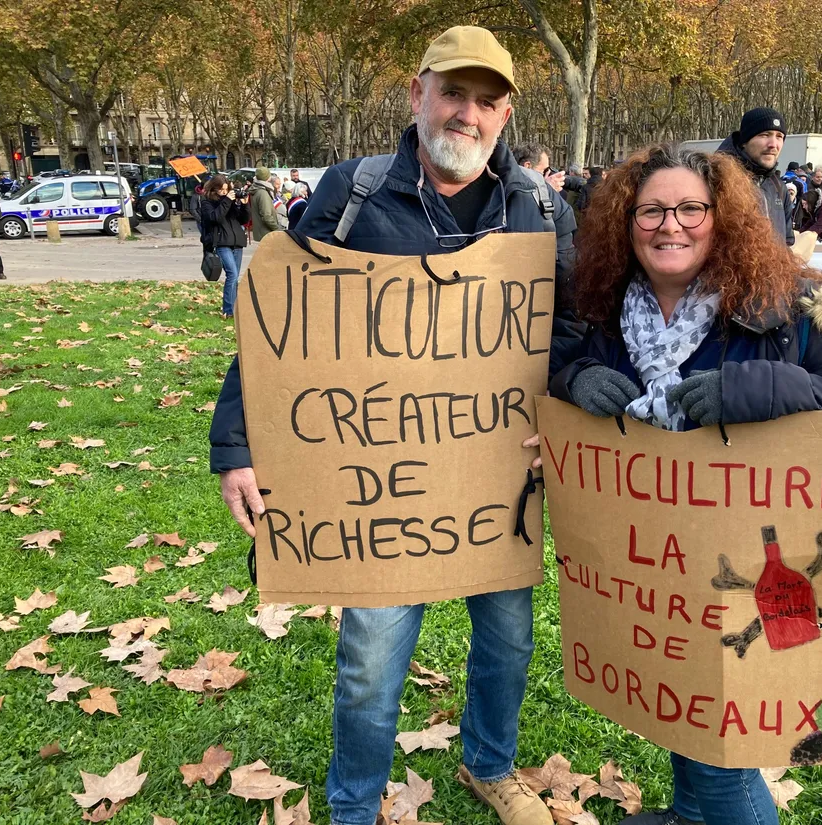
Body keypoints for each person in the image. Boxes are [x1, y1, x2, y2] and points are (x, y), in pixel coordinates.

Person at [211, 25, 579, 825]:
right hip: (380, 491)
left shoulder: (542, 209)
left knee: (510, 643)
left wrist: (566, 416)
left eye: (487, 103)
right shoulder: (356, 193)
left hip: (495, 481)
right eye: (454, 94)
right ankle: (353, 803)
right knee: (372, 659)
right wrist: (236, 443)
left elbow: (573, 329)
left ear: (506, 115)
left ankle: (489, 762)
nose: (467, 116)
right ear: (418, 95)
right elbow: (279, 325)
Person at [549, 143, 822, 825]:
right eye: (651, 211)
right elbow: (569, 373)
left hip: (757, 566)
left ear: (722, 218)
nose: (669, 225)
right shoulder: (611, 309)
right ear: (626, 222)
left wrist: (761, 386)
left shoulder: (789, 306)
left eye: (689, 209)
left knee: (723, 752)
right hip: (659, 565)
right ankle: (689, 814)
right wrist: (576, 380)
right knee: (681, 704)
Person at [717, 107, 794, 245]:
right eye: (764, 135)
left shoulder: (778, 187)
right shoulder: (717, 180)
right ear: (744, 141)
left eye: (779, 137)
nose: (773, 145)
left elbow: (786, 242)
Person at [199, 174, 249, 318]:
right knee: (232, 274)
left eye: (226, 190)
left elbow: (243, 219)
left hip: (236, 242)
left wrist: (244, 205)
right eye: (221, 190)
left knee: (235, 277)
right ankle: (228, 310)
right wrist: (227, 200)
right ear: (214, 189)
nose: (224, 192)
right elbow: (216, 217)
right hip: (221, 242)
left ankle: (234, 307)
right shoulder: (207, 203)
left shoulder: (229, 201)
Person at [248, 166, 280, 241]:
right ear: (267, 177)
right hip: (267, 233)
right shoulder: (263, 193)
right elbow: (266, 216)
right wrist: (277, 229)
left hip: (261, 232)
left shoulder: (256, 188)